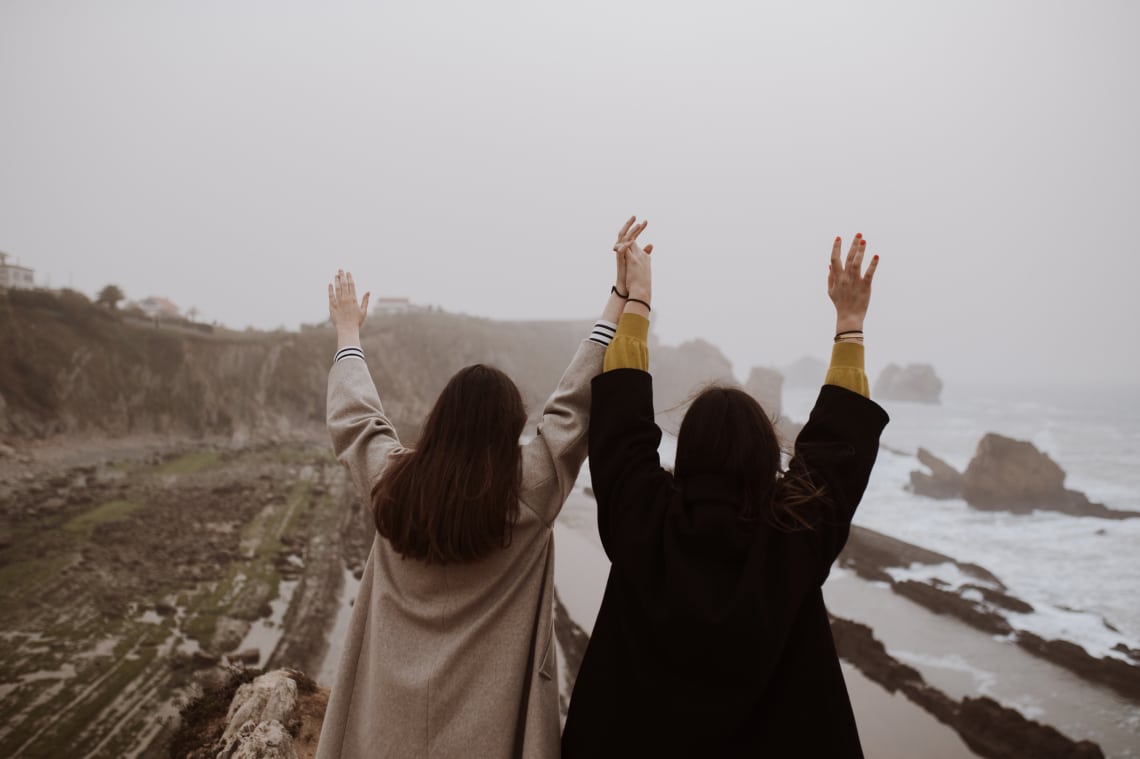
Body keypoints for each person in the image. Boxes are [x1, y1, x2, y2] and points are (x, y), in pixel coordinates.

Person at [315, 218, 651, 759]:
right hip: (486, 734)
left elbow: (357, 420)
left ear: (440, 421)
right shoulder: (529, 492)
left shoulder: (394, 484)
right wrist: (622, 300)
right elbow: (572, 406)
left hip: (389, 726)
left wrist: (348, 333)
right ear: (510, 428)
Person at [561, 229, 890, 758]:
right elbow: (838, 448)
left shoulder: (642, 521)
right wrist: (850, 326)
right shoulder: (796, 534)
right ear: (766, 459)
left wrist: (637, 300)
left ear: (686, 455)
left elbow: (621, 425)